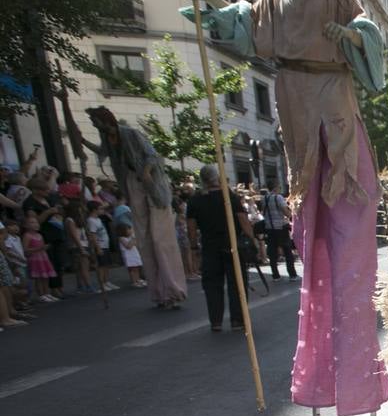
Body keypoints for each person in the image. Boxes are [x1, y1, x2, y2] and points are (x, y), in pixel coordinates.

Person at [184, 0, 388, 416]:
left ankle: (361, 387)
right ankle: (321, 388)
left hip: (337, 123)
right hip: (299, 124)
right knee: (315, 263)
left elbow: (372, 58)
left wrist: (356, 38)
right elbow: (247, 29)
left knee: (352, 267)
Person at [85, 107, 187, 309]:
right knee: (145, 241)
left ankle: (173, 289)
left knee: (160, 240)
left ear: (107, 120)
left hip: (151, 185)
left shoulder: (130, 133)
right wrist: (82, 141)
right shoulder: (109, 139)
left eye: (96, 121)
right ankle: (159, 292)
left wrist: (147, 173)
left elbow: (152, 155)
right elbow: (103, 152)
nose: (95, 125)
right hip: (132, 182)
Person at [187, 165, 260, 332]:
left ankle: (216, 321)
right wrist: (252, 240)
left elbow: (191, 227)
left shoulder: (195, 200)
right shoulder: (229, 197)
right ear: (216, 178)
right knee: (237, 284)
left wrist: (193, 245)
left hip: (210, 247)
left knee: (212, 285)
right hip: (232, 246)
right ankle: (237, 320)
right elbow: (243, 220)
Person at [259, 186, 297, 281]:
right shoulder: (278, 197)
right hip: (281, 227)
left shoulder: (264, 198)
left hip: (269, 227)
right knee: (287, 251)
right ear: (276, 188)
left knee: (272, 252)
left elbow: (263, 211)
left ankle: (275, 275)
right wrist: (291, 216)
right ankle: (292, 274)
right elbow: (285, 211)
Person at [86, 201, 118, 293]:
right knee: (101, 265)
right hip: (100, 245)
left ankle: (106, 281)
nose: (102, 210)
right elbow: (93, 235)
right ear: (94, 210)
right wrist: (98, 247)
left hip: (105, 244)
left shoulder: (98, 219)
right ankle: (102, 283)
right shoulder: (91, 221)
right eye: (100, 209)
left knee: (106, 264)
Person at [22, 216, 56, 302]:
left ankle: (47, 293)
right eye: (32, 222)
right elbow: (25, 250)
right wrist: (39, 248)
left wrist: (44, 248)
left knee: (45, 276)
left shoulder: (39, 235)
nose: (35, 224)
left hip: (43, 257)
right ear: (26, 225)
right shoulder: (27, 235)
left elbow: (42, 247)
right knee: (39, 277)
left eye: (36, 222)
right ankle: (41, 294)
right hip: (35, 258)